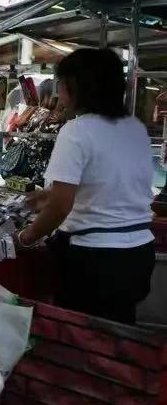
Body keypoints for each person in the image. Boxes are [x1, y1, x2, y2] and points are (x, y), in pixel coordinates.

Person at [15, 49, 155, 324]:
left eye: (61, 84)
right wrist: (47, 195)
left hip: (94, 258)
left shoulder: (76, 131)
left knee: (79, 335)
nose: (58, 93)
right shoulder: (134, 128)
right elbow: (112, 182)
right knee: (119, 334)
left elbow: (60, 207)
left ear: (77, 87)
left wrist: (25, 238)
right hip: (138, 254)